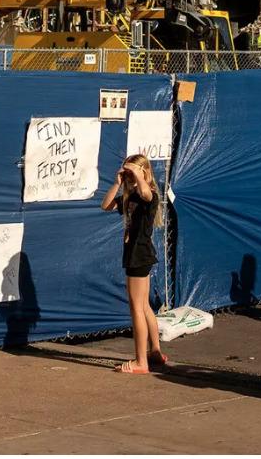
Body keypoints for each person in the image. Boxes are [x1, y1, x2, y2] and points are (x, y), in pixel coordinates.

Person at [100, 153, 165, 374]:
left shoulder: (149, 195)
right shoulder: (130, 197)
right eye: (126, 173)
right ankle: (155, 352)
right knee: (144, 306)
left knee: (136, 307)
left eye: (132, 173)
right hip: (135, 255)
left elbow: (147, 192)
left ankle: (141, 362)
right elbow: (105, 205)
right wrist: (117, 184)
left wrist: (139, 175)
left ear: (144, 172)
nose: (129, 177)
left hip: (139, 255)